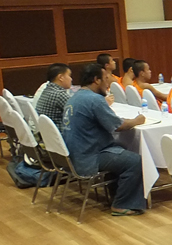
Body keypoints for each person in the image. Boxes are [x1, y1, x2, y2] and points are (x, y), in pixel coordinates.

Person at [62, 64, 146, 216]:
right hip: (88, 157)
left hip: (74, 155)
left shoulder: (75, 97)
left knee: (120, 149)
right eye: (106, 79)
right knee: (134, 160)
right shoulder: (94, 99)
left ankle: (116, 196)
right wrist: (137, 120)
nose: (108, 83)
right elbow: (118, 126)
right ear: (96, 80)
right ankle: (121, 205)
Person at [35, 63, 73, 133]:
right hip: (61, 134)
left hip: (48, 135)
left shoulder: (47, 89)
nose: (71, 79)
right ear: (61, 77)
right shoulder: (59, 94)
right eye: (69, 76)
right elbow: (77, 114)